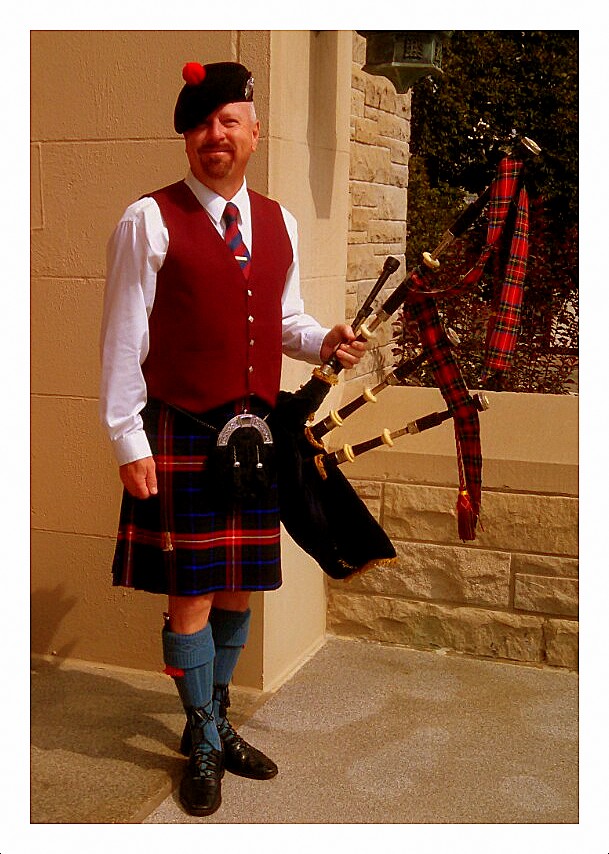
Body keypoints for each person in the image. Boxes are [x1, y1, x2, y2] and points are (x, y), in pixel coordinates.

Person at [100, 60, 365, 818]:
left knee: (239, 585)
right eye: (198, 124)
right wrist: (127, 438)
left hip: (254, 438)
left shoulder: (278, 222)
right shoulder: (148, 219)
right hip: (182, 429)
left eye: (227, 121)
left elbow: (284, 320)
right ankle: (203, 738)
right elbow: (122, 338)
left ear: (253, 132)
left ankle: (212, 721)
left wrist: (323, 341)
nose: (212, 135)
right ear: (186, 138)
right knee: (189, 592)